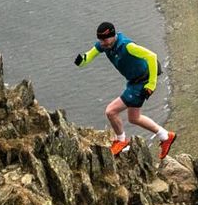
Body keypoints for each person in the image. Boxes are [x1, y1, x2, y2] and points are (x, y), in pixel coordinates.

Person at [75, 21, 175, 158]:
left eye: (105, 39)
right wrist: (82, 61)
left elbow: (152, 57)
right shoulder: (104, 45)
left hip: (142, 82)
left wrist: (151, 84)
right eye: (100, 40)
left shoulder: (127, 46)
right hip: (133, 82)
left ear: (113, 35)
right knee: (134, 118)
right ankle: (165, 136)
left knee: (111, 111)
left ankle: (121, 141)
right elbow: (89, 55)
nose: (102, 43)